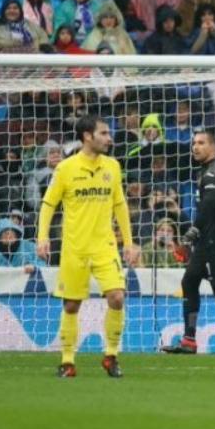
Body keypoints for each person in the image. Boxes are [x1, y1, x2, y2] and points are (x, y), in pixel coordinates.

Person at [37, 116, 140, 378]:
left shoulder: (113, 167)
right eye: (104, 133)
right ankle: (67, 360)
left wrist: (128, 242)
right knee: (72, 305)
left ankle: (111, 355)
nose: (109, 138)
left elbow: (120, 205)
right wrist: (42, 237)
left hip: (105, 246)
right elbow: (49, 204)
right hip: (75, 248)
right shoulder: (66, 168)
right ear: (87, 136)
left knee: (117, 297)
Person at [162, 130, 215, 354]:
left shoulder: (213, 174)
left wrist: (192, 233)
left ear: (213, 147)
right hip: (208, 242)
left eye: (201, 143)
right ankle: (189, 340)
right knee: (190, 282)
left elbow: (208, 206)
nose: (195, 147)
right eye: (194, 143)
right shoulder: (206, 172)